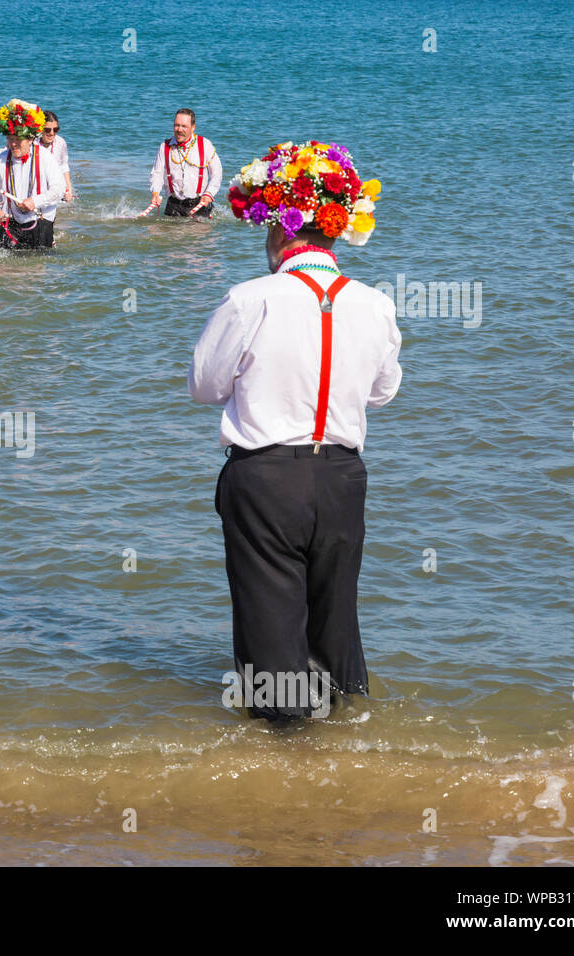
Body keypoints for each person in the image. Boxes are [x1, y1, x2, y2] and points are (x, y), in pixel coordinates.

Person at [187, 140, 396, 720]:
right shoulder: (376, 305)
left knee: (270, 623)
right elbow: (382, 392)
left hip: (266, 476)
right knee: (336, 616)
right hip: (342, 475)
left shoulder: (249, 298)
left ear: (281, 231)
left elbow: (204, 387)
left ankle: (285, 758)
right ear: (336, 230)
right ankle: (350, 734)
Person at [0, 99, 65, 250]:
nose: (13, 144)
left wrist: (35, 201)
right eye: (10, 139)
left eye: (17, 140)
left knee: (37, 269)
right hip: (10, 223)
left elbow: (59, 189)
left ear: (30, 139)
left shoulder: (46, 157)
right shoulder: (0, 160)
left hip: (40, 221)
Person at [145, 109, 222, 218]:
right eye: (176, 125)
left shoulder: (205, 145)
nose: (179, 129)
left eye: (184, 126)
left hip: (200, 204)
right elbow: (157, 174)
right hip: (173, 204)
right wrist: (155, 193)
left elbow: (217, 174)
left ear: (193, 127)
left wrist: (209, 193)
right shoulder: (164, 147)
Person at [38, 110, 74, 202]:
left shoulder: (61, 142)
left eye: (55, 129)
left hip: (55, 184)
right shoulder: (33, 143)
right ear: (40, 129)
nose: (52, 133)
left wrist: (68, 188)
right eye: (47, 130)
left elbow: (64, 166)